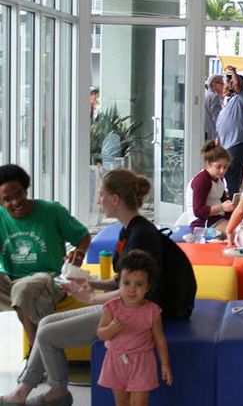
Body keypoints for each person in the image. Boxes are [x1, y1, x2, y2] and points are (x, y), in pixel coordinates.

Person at [0, 169, 167, 406]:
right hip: (123, 306)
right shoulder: (129, 230)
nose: (98, 200)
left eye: (101, 194)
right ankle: (56, 391)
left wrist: (92, 298)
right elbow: (124, 280)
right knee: (46, 323)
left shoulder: (140, 235)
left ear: (115, 199)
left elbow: (136, 291)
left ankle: (42, 390)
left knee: (46, 332)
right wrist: (91, 284)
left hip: (131, 313)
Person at [0, 164, 91, 347]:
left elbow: (83, 236)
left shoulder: (51, 211)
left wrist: (79, 253)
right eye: (7, 199)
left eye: (19, 194)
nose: (16, 202)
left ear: (26, 190)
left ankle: (36, 355)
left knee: (23, 289)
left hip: (48, 279)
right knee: (20, 288)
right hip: (11, 280)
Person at [97, 249, 173, 405]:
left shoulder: (152, 311)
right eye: (127, 283)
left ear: (147, 287)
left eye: (139, 284)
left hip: (142, 361)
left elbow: (159, 340)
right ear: (119, 283)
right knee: (122, 402)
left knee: (139, 403)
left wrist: (165, 365)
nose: (132, 289)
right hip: (115, 360)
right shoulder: (111, 308)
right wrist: (110, 329)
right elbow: (101, 334)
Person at [216, 66, 243, 197]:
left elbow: (238, 85)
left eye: (232, 81)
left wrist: (234, 72)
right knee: (230, 177)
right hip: (228, 145)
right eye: (229, 81)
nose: (230, 83)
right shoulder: (227, 102)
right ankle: (233, 200)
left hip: (237, 144)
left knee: (232, 176)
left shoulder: (242, 97)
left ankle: (233, 203)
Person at [187, 140, 235, 234]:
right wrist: (222, 207)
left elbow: (223, 201)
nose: (222, 171)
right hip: (201, 223)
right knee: (236, 232)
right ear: (208, 164)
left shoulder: (218, 179)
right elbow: (198, 211)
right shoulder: (202, 180)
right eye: (218, 167)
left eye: (225, 167)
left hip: (216, 218)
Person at [204, 74, 224, 141]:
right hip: (211, 132)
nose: (223, 85)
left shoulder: (206, 94)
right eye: (221, 83)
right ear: (214, 84)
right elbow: (216, 118)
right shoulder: (214, 97)